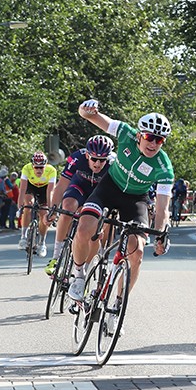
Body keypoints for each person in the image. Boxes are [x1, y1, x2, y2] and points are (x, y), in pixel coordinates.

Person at [68, 100, 173, 302]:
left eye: (159, 140)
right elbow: (92, 117)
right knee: (84, 228)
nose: (153, 144)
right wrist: (84, 110)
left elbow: (162, 207)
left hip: (136, 200)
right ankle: (79, 275)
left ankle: (117, 304)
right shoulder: (126, 133)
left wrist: (160, 235)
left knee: (137, 252)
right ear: (140, 135)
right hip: (109, 187)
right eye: (150, 137)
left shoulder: (164, 166)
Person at [46, 134, 114, 273]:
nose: (97, 164)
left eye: (102, 160)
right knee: (68, 207)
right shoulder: (77, 158)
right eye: (94, 159)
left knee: (107, 221)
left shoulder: (114, 164)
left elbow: (114, 194)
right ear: (88, 155)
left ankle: (100, 256)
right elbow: (61, 186)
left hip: (99, 193)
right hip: (79, 188)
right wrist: (52, 209)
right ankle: (56, 257)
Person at [17, 151, 57, 256]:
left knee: (44, 214)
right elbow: (22, 189)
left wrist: (49, 209)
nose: (39, 170)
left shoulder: (51, 170)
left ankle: (42, 243)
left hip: (44, 189)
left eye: (41, 167)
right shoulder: (26, 168)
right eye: (36, 167)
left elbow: (50, 191)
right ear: (32, 166)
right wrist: (19, 205)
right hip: (31, 187)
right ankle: (23, 237)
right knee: (28, 205)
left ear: (45, 166)